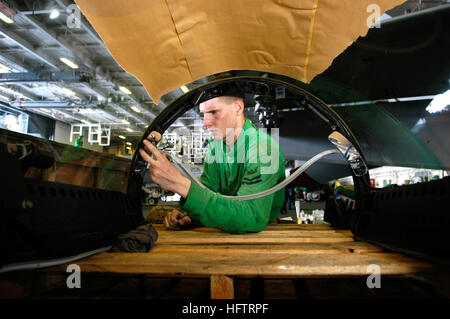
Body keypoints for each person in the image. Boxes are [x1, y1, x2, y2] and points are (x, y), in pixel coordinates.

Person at [139, 89, 286, 234]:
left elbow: (252, 216)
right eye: (204, 114)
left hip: (261, 234)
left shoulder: (263, 149)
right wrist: (189, 215)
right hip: (227, 228)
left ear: (238, 107)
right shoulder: (217, 144)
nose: (206, 122)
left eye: (214, 112)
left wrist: (180, 184)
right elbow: (209, 189)